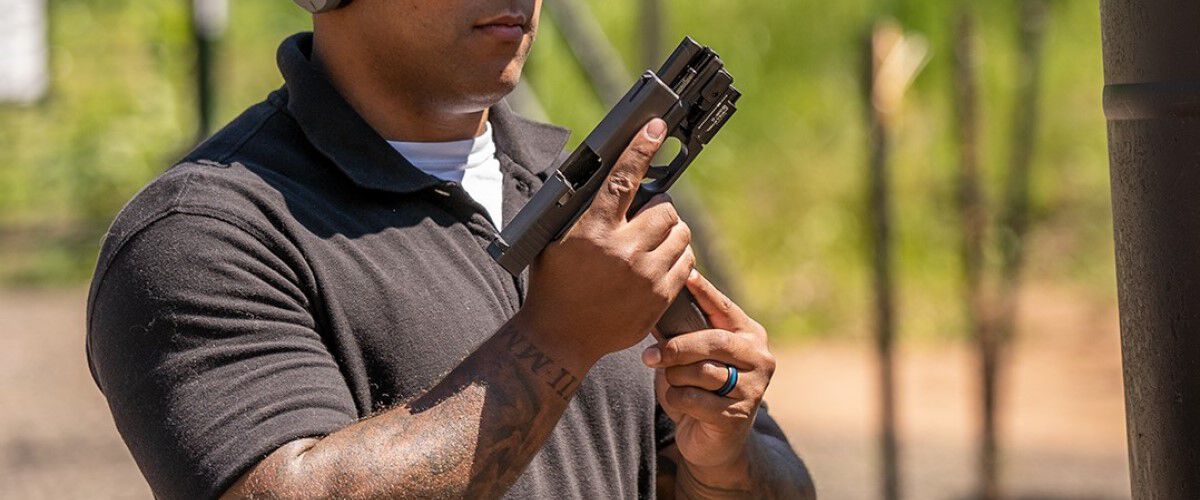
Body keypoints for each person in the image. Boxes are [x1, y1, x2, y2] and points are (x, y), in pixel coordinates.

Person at [86, 0, 815, 498]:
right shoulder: (205, 231)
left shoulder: (602, 208)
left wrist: (721, 457)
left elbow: (769, 475)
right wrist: (560, 339)